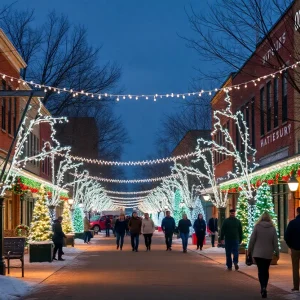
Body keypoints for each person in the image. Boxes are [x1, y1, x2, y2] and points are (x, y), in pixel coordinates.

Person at [248, 212, 279, 298]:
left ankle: (262, 287)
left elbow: (252, 239)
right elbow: (275, 242)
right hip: (268, 253)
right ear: (269, 218)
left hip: (258, 253)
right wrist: (277, 252)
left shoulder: (257, 227)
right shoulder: (273, 228)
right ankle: (265, 286)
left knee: (260, 270)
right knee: (266, 270)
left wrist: (249, 250)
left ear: (261, 218)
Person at [284, 207, 300, 292]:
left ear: (297, 212)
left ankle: (296, 286)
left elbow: (286, 236)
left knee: (295, 268)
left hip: (295, 248)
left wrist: (290, 246)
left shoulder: (292, 223)